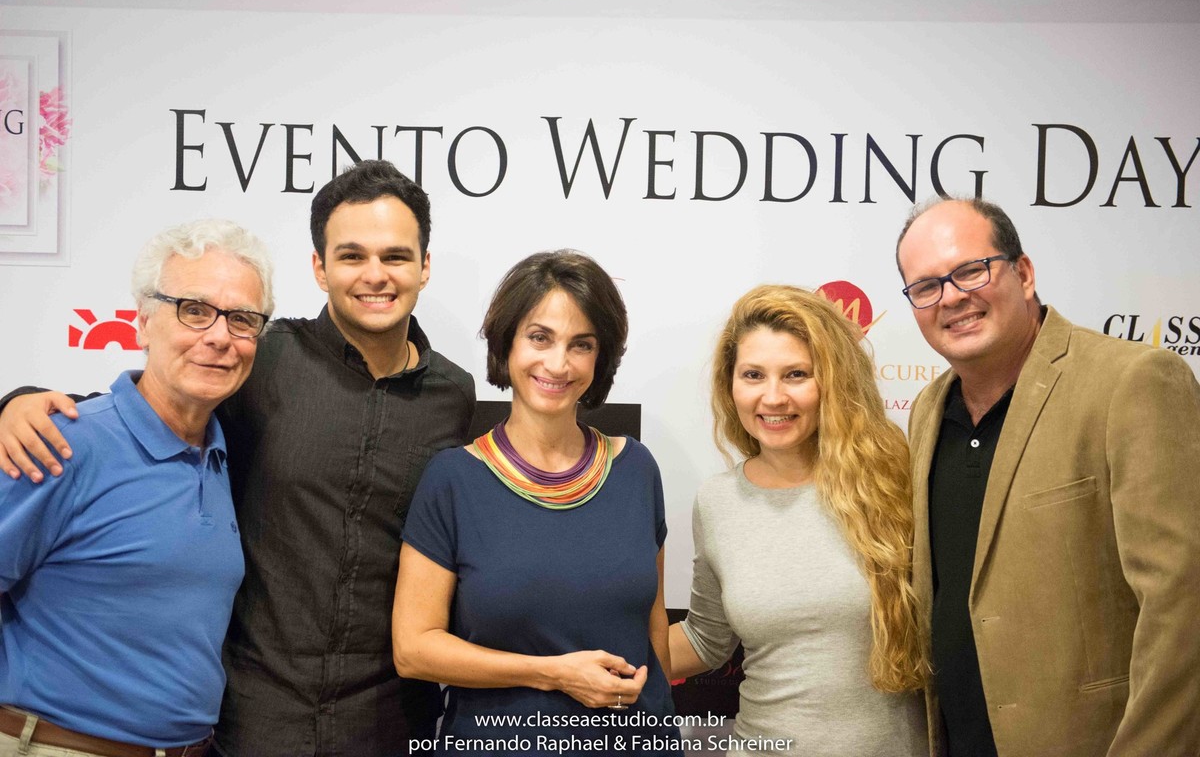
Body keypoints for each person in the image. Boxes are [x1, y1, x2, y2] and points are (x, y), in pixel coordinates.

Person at [0, 161, 476, 757]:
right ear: (319, 268)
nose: (374, 275)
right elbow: (150, 407)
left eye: (396, 256)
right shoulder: (261, 358)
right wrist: (17, 406)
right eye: (351, 255)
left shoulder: (453, 396)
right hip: (252, 719)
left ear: (425, 267)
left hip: (386, 722)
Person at [895, 197, 1200, 757]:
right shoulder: (926, 410)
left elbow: (1184, 609)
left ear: (1024, 272)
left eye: (971, 270)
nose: (953, 297)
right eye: (926, 286)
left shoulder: (1132, 383)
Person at [0, 220, 274, 757]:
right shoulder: (61, 442)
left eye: (242, 320)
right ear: (142, 324)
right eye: (194, 310)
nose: (219, 336)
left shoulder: (222, 454)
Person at [392, 250, 681, 756]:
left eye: (581, 344)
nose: (558, 363)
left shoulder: (637, 470)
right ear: (506, 344)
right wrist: (552, 674)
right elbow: (414, 649)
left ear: (601, 357)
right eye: (539, 337)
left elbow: (653, 627)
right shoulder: (455, 480)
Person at [667, 285, 928, 757]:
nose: (773, 397)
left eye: (796, 374)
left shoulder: (899, 479)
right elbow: (706, 639)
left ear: (832, 381)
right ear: (731, 385)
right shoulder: (718, 501)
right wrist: (568, 660)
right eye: (753, 375)